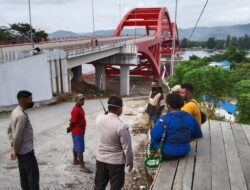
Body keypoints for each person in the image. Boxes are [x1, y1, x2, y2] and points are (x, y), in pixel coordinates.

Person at [94, 96, 133, 190]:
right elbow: (127, 147)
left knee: (99, 185)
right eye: (122, 107)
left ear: (108, 107)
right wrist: (130, 161)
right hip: (116, 163)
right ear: (119, 108)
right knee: (116, 187)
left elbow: (102, 114)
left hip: (101, 159)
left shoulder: (99, 119)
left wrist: (106, 113)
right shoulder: (122, 126)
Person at [151, 93, 202, 160]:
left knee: (153, 139)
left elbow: (155, 136)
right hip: (184, 151)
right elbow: (197, 135)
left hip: (165, 153)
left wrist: (153, 126)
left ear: (168, 105)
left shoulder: (164, 119)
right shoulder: (191, 117)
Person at [7, 90, 40, 190]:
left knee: (24, 177)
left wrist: (13, 147)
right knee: (33, 178)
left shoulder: (15, 111)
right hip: (27, 153)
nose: (31, 102)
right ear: (22, 100)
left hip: (21, 153)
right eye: (30, 100)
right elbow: (17, 136)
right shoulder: (21, 116)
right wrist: (14, 151)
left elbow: (9, 130)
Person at [67, 93, 92, 173]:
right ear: (76, 100)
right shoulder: (76, 110)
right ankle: (82, 166)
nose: (82, 101)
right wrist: (70, 128)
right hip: (77, 132)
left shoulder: (79, 108)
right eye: (80, 100)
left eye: (83, 99)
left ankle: (75, 160)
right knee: (80, 149)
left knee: (76, 146)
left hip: (78, 131)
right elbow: (73, 121)